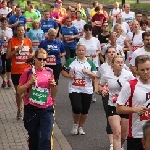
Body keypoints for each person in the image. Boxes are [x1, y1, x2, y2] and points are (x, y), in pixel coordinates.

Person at [17, 48, 56, 150]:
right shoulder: (28, 71)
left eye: (45, 59)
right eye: (40, 59)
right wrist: (29, 82)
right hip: (31, 109)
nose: (42, 62)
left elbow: (54, 92)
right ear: (35, 59)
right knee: (34, 139)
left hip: (46, 108)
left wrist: (54, 85)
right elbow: (19, 91)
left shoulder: (49, 71)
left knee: (45, 138)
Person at [99, 55, 134, 150]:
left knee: (123, 136)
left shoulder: (128, 74)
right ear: (112, 64)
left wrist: (127, 90)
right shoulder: (107, 75)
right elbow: (100, 85)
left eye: (122, 62)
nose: (120, 64)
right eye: (118, 62)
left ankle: (119, 145)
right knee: (117, 134)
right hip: (112, 105)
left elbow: (135, 87)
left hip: (125, 107)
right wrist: (103, 90)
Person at [61, 43, 97, 135]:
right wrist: (70, 75)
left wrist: (88, 72)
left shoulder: (90, 62)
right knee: (77, 108)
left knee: (84, 110)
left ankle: (81, 127)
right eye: (79, 50)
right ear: (76, 51)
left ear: (85, 51)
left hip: (87, 89)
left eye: (83, 50)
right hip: (74, 88)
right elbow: (63, 71)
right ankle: (75, 124)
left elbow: (95, 76)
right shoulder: (71, 61)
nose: (81, 52)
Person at [116, 55, 150, 150]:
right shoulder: (130, 85)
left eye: (148, 69)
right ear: (136, 70)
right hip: (137, 134)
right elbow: (118, 109)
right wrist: (135, 109)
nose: (146, 72)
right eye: (142, 70)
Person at [6, 24, 33, 120]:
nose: (21, 32)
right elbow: (7, 56)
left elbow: (31, 53)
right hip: (16, 71)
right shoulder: (12, 41)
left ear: (24, 31)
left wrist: (32, 55)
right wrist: (16, 50)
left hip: (27, 70)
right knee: (19, 92)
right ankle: (19, 109)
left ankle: (27, 110)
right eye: (19, 30)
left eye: (22, 30)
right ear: (16, 32)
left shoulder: (28, 41)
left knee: (27, 92)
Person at [38, 28, 66, 100]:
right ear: (48, 35)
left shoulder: (59, 43)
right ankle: (45, 96)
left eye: (54, 35)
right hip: (46, 64)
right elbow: (38, 52)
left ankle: (52, 98)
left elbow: (64, 52)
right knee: (45, 80)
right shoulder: (44, 42)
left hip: (56, 64)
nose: (52, 37)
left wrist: (61, 55)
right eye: (51, 35)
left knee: (55, 81)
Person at [79, 24, 101, 102]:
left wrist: (96, 53)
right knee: (84, 77)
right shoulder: (81, 40)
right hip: (84, 61)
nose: (88, 32)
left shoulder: (96, 40)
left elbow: (99, 50)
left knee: (93, 78)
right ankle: (84, 93)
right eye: (87, 30)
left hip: (94, 62)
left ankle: (92, 93)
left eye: (90, 30)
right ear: (84, 31)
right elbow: (78, 50)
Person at [0, 17, 13, 88]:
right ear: (1, 23)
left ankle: (9, 79)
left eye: (5, 22)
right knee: (2, 67)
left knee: (8, 65)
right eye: (2, 22)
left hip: (8, 50)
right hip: (1, 51)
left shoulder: (10, 30)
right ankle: (4, 80)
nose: (4, 23)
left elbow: (12, 39)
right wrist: (1, 36)